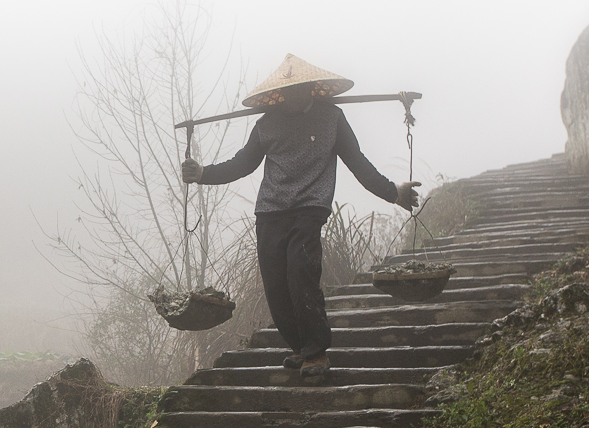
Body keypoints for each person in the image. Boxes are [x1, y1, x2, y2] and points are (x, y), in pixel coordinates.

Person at [180, 54, 420, 382]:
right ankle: (299, 347)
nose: (294, 96)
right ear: (280, 94)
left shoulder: (332, 119)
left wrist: (395, 192)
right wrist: (202, 173)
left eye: (300, 89)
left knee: (300, 273)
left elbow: (359, 164)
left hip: (310, 207)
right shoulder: (266, 125)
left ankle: (316, 352)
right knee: (276, 285)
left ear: (311, 90)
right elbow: (241, 164)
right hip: (270, 212)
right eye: (288, 91)